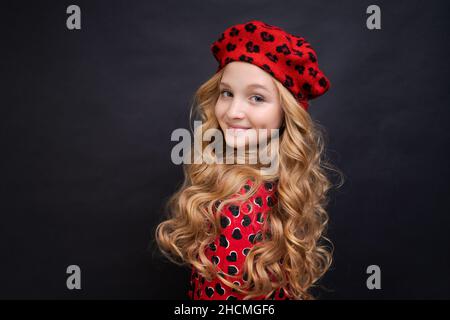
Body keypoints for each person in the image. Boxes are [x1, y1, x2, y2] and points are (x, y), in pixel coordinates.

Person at [155, 19, 342, 300]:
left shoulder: (239, 203)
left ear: (286, 112)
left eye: (256, 98)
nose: (233, 111)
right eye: (227, 93)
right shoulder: (278, 179)